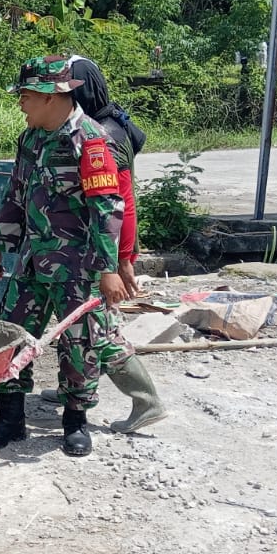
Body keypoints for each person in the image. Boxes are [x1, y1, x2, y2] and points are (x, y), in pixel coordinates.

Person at [0, 55, 135, 457]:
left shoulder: (91, 140)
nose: (21, 103)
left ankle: (75, 422)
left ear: (51, 96)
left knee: (80, 344)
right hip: (33, 261)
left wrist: (109, 269)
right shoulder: (30, 139)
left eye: (26, 96)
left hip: (78, 268)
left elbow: (107, 209)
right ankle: (10, 419)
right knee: (11, 333)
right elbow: (16, 195)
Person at [68, 56, 169, 435]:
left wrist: (122, 261)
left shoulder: (103, 136)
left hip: (99, 251)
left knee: (98, 328)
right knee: (78, 327)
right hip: (84, 249)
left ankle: (146, 401)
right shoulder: (111, 122)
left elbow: (121, 203)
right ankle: (75, 389)